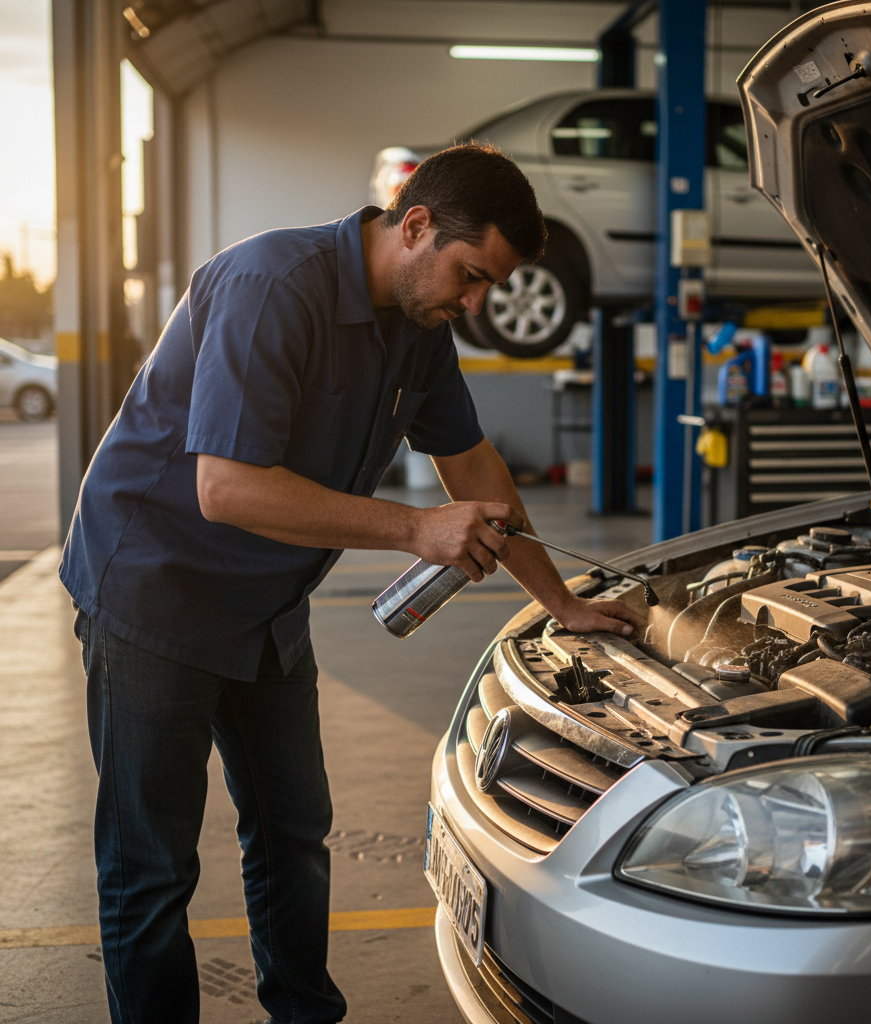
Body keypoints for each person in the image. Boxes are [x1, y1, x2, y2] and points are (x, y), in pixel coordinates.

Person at [60, 143, 641, 1024]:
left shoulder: (422, 325)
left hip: (266, 608)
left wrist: (560, 603)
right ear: (416, 226)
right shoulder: (270, 287)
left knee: (294, 832)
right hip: (156, 591)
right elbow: (226, 489)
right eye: (471, 276)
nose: (477, 304)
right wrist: (416, 529)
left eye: (490, 287)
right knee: (152, 865)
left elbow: (474, 466)